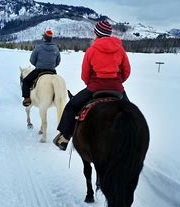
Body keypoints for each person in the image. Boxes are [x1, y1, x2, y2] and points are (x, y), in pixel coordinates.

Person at [53, 20, 131, 150]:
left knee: (71, 106)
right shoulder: (120, 49)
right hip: (117, 88)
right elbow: (127, 71)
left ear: (96, 34)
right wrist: (116, 82)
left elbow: (85, 74)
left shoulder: (91, 50)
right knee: (130, 112)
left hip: (95, 87)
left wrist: (91, 84)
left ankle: (64, 137)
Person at [21, 29, 61, 106]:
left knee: (26, 81)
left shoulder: (38, 47)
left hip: (39, 71)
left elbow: (32, 60)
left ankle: (27, 98)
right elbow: (58, 62)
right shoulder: (56, 48)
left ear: (44, 38)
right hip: (52, 71)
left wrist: (38, 65)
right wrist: (51, 66)